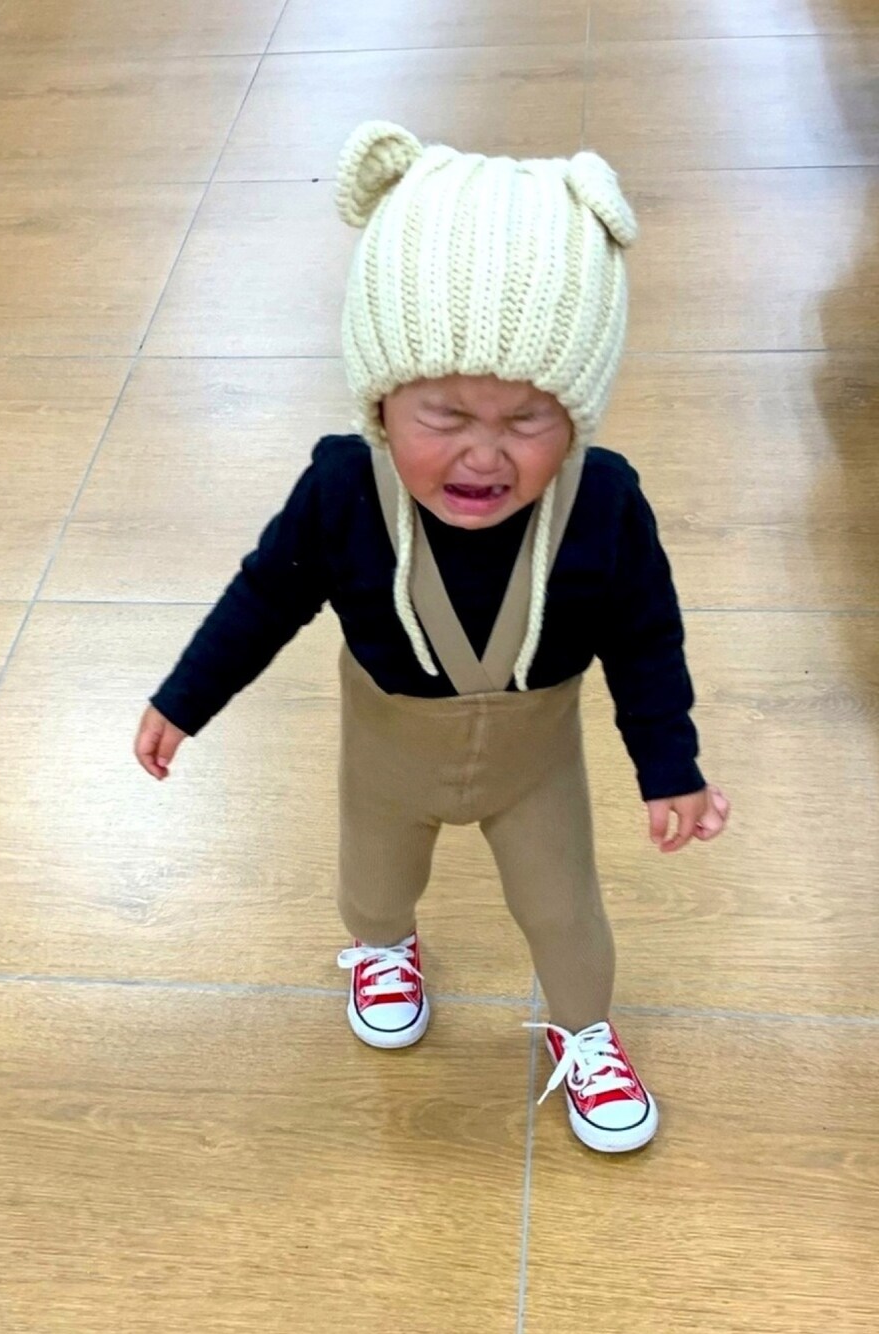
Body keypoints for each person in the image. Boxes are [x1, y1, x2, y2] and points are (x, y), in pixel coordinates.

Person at [134, 121, 730, 1154]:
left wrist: (669, 764)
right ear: (379, 397)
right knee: (372, 879)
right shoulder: (340, 489)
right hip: (387, 749)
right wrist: (184, 697)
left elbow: (646, 638)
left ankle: (584, 1030)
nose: (484, 455)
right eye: (444, 414)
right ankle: (384, 949)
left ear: (579, 415)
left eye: (529, 419)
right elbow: (264, 597)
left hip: (537, 761)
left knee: (564, 908)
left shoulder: (603, 505)